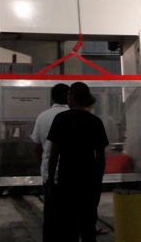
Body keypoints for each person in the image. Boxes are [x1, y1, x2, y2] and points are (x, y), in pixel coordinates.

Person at [47, 82, 108, 242]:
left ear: (72, 97)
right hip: (89, 181)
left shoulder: (61, 119)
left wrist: (51, 178)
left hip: (67, 180)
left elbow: (54, 153)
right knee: (88, 226)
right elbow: (101, 157)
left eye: (69, 95)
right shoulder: (95, 122)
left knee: (68, 226)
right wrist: (98, 181)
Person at [31, 83, 69, 242]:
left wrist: (43, 165)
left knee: (50, 214)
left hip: (49, 174)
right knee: (70, 216)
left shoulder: (43, 116)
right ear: (69, 96)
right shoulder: (75, 116)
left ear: (52, 98)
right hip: (72, 173)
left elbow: (36, 146)